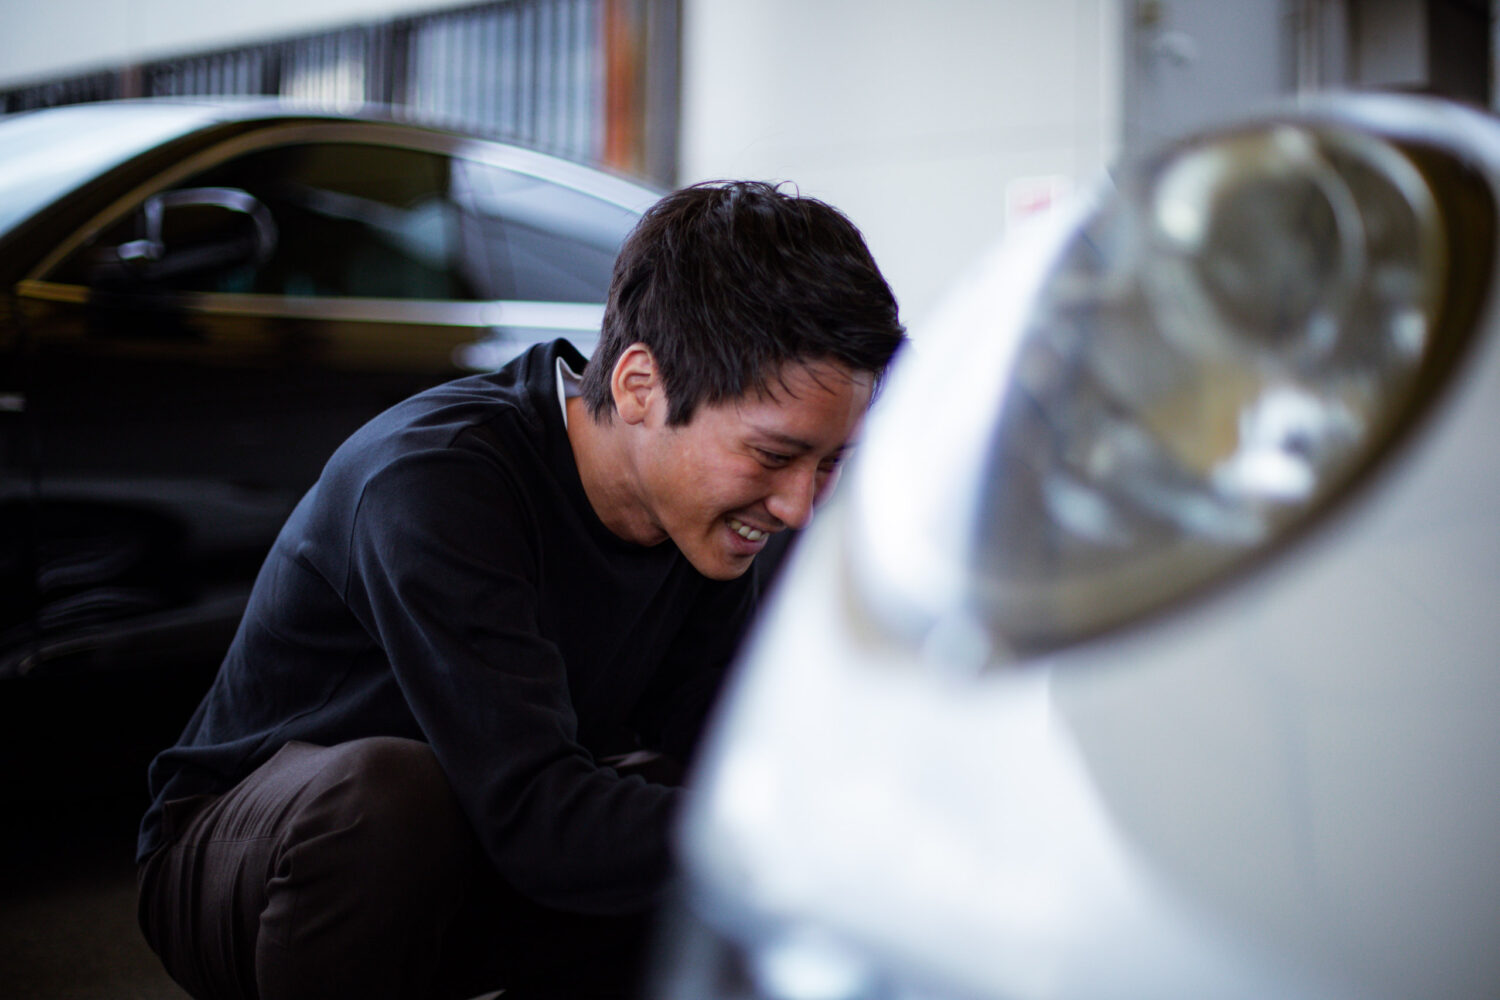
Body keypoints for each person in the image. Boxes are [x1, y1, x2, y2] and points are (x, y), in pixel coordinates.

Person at [135, 179, 905, 1000]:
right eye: (773, 456)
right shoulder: (437, 480)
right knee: (390, 801)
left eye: (831, 463)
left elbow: (712, 769)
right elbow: (540, 820)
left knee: (684, 808)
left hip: (482, 842)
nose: (799, 505)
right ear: (641, 386)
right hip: (262, 857)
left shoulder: (708, 522)